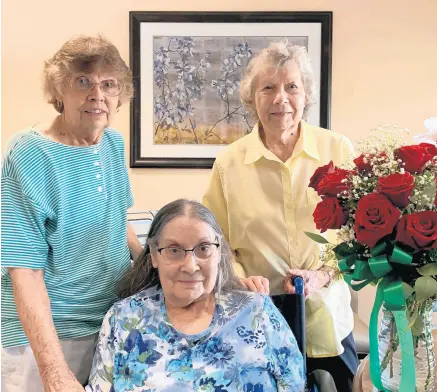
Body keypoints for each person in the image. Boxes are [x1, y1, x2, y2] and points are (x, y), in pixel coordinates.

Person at [202, 41, 359, 392]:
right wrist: (241, 279)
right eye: (268, 88)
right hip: (257, 316)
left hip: (327, 318)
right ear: (251, 98)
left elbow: (357, 235)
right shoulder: (229, 163)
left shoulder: (338, 150)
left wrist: (321, 275)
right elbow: (215, 241)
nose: (280, 98)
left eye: (292, 87)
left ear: (305, 95)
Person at [1, 35, 142, 392]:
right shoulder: (29, 154)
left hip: (110, 327)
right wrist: (54, 372)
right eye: (83, 82)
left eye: (108, 84)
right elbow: (25, 272)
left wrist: (154, 272)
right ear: (59, 91)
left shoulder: (112, 143)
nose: (98, 95)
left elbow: (119, 224)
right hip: (46, 340)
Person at [86, 199, 305, 391]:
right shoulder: (123, 319)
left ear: (218, 252)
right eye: (174, 250)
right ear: (154, 256)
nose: (190, 266)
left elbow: (294, 384)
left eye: (204, 248)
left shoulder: (257, 311)